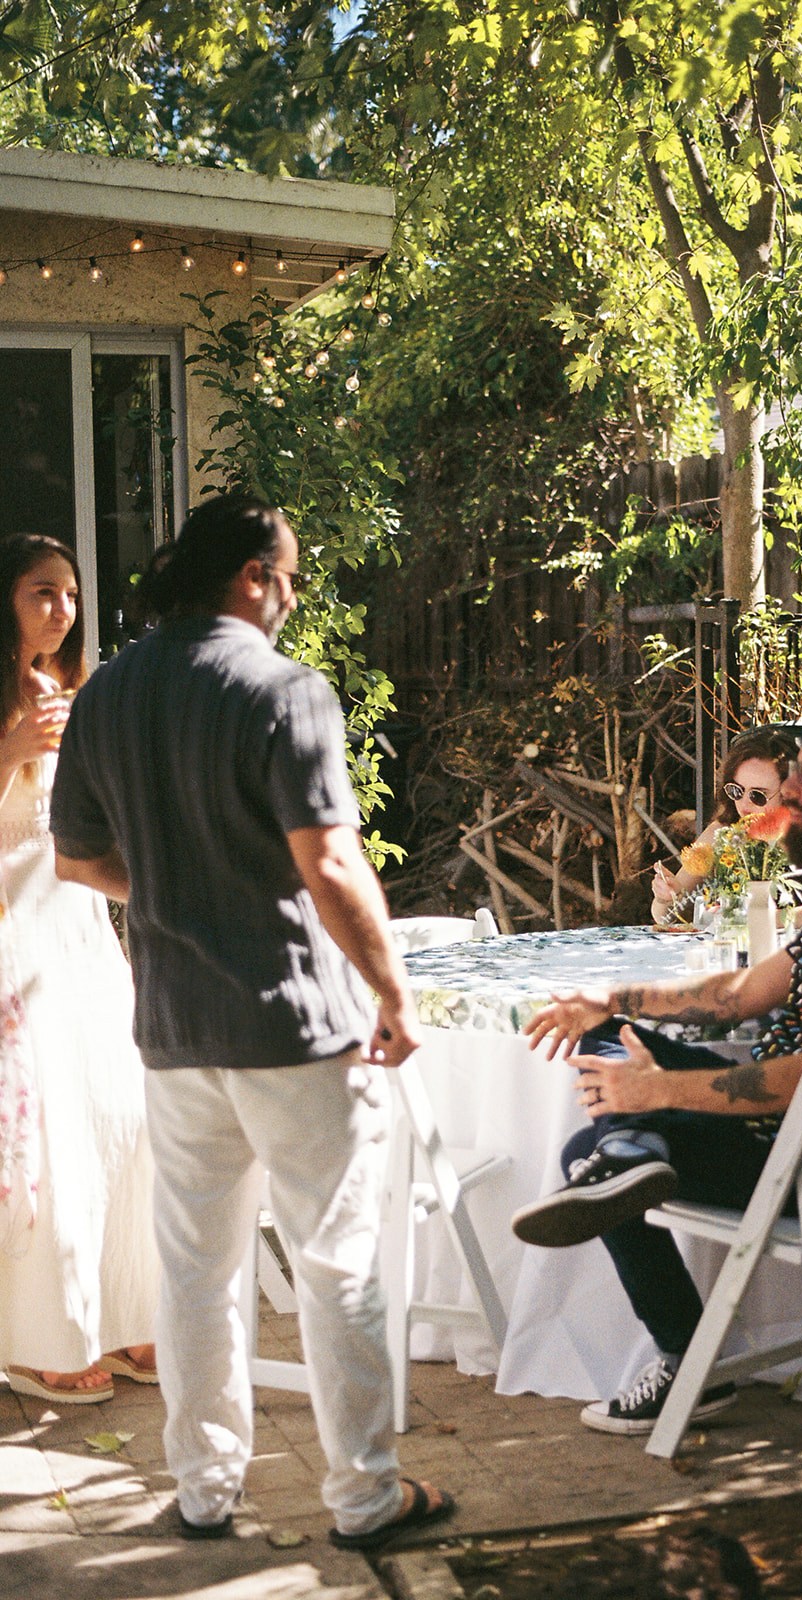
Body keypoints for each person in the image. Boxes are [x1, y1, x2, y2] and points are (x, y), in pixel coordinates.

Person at [50, 496, 453, 1546]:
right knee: (338, 1257)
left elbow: (77, 859)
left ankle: (202, 1489)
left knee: (196, 1267)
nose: (291, 596)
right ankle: (364, 1495)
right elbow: (328, 863)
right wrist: (395, 992)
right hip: (293, 1021)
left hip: (175, 1025)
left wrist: (171, 892)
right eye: (288, 577)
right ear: (248, 578)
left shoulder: (109, 692)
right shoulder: (283, 689)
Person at [512, 708, 802, 1437]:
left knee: (583, 1159)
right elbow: (737, 996)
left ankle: (685, 1361)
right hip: (795, 1133)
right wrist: (611, 998)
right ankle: (631, 1152)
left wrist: (655, 1090)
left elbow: (801, 1080)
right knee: (607, 1032)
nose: (788, 792)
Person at [0, 533, 158, 1404]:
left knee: (118, 1109)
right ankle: (40, 1335)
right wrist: (15, 743)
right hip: (11, 931)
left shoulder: (79, 688)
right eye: (39, 592)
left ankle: (132, 1314)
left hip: (81, 924)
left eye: (68, 594)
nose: (60, 609)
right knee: (50, 1126)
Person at [650, 726, 800, 923]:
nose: (744, 804)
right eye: (736, 790)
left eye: (758, 795)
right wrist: (665, 897)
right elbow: (663, 916)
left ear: (788, 794)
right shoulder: (721, 833)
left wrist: (769, 921)